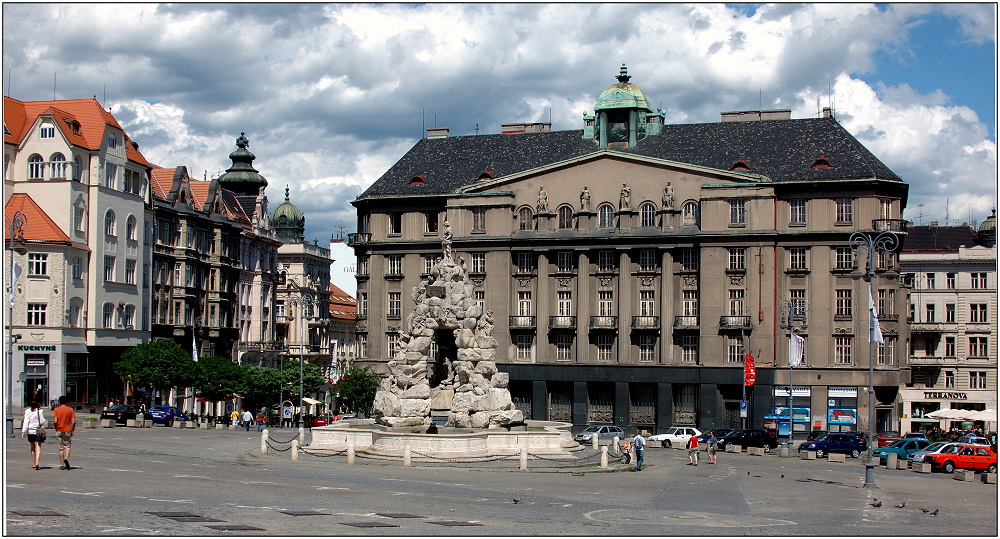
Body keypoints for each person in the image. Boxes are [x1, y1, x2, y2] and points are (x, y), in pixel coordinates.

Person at [53, 396, 76, 470]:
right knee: (67, 446)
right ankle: (66, 458)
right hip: (67, 430)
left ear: (59, 402)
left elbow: (55, 421)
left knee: (60, 448)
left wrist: (56, 428)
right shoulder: (70, 410)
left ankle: (62, 464)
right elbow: (73, 421)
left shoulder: (56, 410)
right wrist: (72, 430)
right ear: (66, 402)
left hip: (59, 430)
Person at [21, 401, 45, 470]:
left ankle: (33, 463)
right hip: (38, 431)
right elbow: (42, 421)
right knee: (38, 447)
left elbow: (26, 422)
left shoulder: (27, 411)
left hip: (30, 431)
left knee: (32, 447)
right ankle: (37, 461)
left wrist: (23, 432)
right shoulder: (40, 411)